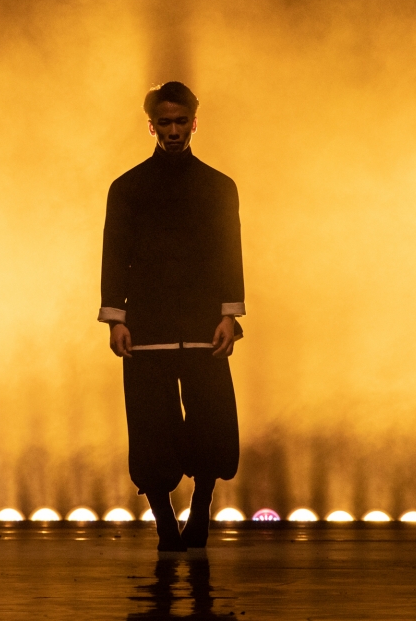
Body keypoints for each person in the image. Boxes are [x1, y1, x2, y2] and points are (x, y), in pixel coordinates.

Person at [98, 81, 245, 553]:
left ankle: (201, 508)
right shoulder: (128, 188)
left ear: (194, 123)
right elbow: (115, 255)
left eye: (181, 121)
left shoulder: (218, 186)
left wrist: (229, 314)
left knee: (210, 418)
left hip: (202, 322)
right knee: (150, 423)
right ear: (152, 126)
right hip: (148, 322)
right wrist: (117, 319)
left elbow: (229, 252)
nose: (174, 130)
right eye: (165, 122)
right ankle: (164, 520)